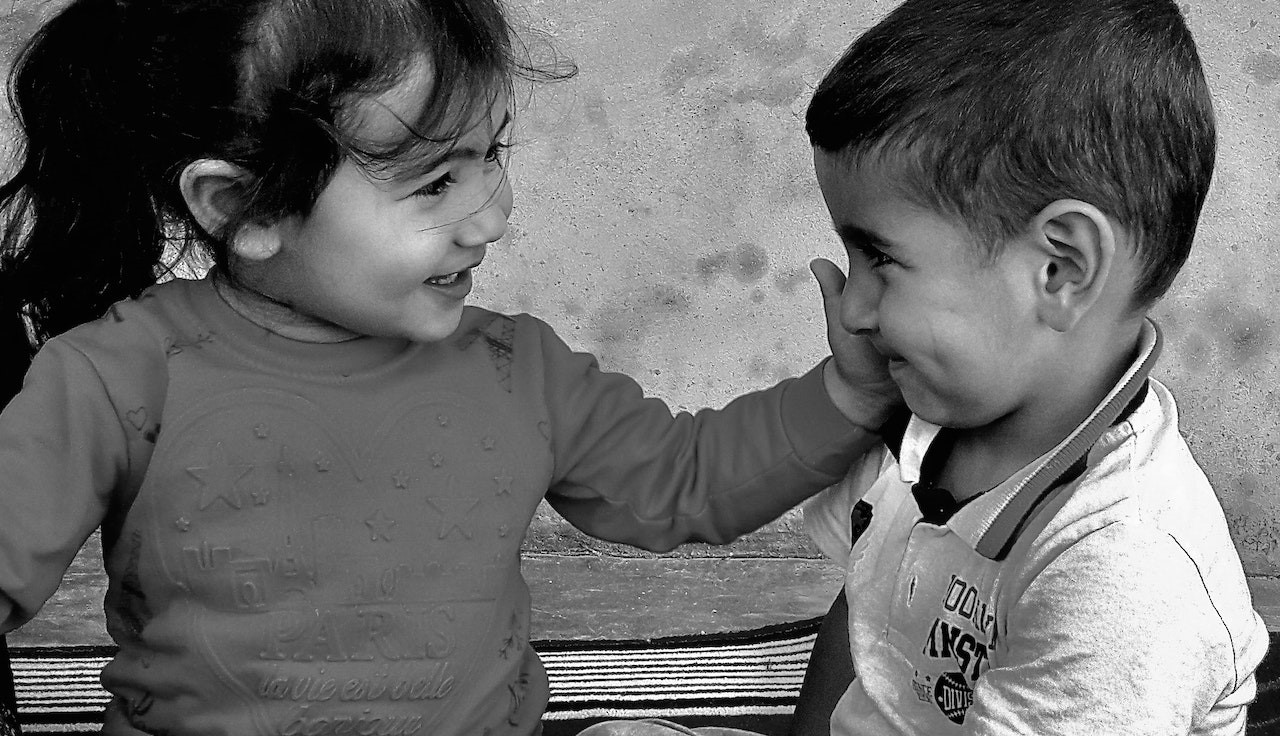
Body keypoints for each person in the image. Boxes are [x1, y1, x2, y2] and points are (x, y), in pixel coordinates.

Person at [0, 1, 902, 734]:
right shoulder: (114, 376)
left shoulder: (517, 370)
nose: (491, 215)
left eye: (491, 157)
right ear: (244, 205)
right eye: (436, 181)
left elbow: (684, 477)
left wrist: (848, 393)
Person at [578, 0, 1271, 735]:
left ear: (1060, 268)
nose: (852, 310)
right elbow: (869, 624)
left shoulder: (1124, 575)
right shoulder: (926, 420)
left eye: (878, 256)